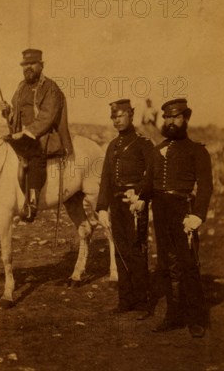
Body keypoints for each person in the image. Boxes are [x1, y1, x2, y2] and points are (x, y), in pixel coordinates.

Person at [149, 98, 213, 338]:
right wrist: (140, 197)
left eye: (175, 117)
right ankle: (173, 315)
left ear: (186, 118)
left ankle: (197, 318)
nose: (170, 122)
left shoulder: (197, 151)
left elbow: (206, 186)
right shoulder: (158, 149)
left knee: (189, 264)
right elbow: (149, 183)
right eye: (166, 117)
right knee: (166, 264)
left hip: (182, 210)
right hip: (160, 210)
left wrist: (198, 214)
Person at [0, 48, 73, 222]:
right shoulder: (21, 87)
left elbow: (47, 116)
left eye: (32, 64)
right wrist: (7, 112)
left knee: (34, 156)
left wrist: (28, 132)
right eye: (25, 64)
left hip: (44, 136)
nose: (28, 68)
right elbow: (15, 117)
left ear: (41, 65)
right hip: (22, 136)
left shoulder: (50, 88)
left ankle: (32, 203)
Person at [96, 99, 153, 319]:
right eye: (113, 117)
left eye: (121, 116)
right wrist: (102, 208)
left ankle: (142, 301)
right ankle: (125, 300)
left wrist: (139, 194)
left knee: (136, 251)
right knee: (119, 251)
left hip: (135, 206)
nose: (117, 121)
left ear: (131, 115)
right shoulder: (113, 146)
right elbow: (106, 180)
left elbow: (151, 175)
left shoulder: (143, 144)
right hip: (116, 206)